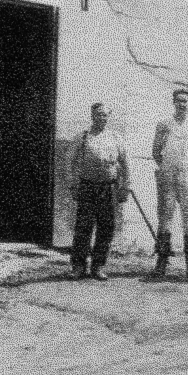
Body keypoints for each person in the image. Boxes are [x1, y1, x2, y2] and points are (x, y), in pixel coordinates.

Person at [149, 87, 188, 279]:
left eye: (185, 101)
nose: (182, 104)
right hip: (168, 177)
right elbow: (156, 151)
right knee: (165, 217)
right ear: (173, 103)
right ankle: (161, 263)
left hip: (187, 178)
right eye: (179, 101)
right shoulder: (164, 124)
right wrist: (167, 167)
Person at [68, 101, 131, 280]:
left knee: (106, 227)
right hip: (87, 186)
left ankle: (98, 266)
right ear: (92, 116)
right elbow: (70, 162)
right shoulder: (83, 136)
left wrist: (125, 186)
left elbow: (126, 165)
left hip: (108, 187)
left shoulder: (116, 138)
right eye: (98, 114)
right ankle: (78, 266)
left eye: (104, 115)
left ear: (108, 117)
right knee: (83, 227)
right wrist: (73, 185)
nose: (101, 118)